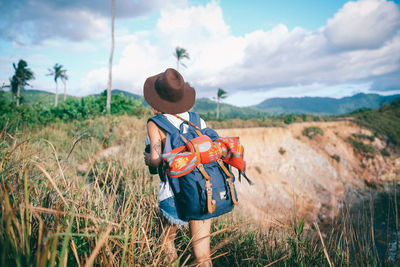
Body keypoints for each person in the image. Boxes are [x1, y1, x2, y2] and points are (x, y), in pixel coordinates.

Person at [143, 68, 213, 266]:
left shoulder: (156, 122)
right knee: (203, 256)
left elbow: (156, 160)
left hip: (173, 192)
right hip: (201, 189)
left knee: (167, 243)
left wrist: (148, 158)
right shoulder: (198, 120)